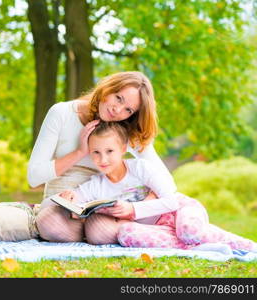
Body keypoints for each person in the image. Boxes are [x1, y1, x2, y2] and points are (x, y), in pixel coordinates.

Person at [48, 121, 257, 252]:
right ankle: (201, 245)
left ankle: (248, 247)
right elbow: (77, 197)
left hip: (179, 211)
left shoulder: (140, 168)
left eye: (109, 151)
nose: (103, 159)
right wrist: (70, 197)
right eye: (96, 152)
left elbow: (172, 199)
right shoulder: (97, 185)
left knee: (188, 230)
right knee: (126, 233)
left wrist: (133, 210)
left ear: (122, 149)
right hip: (156, 229)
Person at [28, 71, 174, 242]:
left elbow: (166, 182)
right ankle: (99, 234)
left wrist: (138, 208)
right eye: (119, 98)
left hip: (106, 210)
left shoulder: (126, 130)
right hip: (65, 204)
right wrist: (79, 153)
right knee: (51, 225)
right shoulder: (62, 112)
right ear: (107, 88)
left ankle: (105, 233)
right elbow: (34, 177)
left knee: (99, 228)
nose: (117, 110)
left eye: (128, 109)